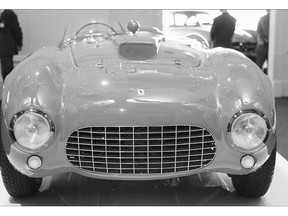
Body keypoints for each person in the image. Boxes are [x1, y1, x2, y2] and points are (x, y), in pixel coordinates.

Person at [0, 10, 23, 81]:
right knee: (7, 70)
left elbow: (16, 30)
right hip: (5, 47)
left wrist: (19, 43)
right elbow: (16, 30)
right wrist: (19, 43)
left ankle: (8, 88)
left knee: (6, 70)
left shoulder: (7, 15)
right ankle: (8, 88)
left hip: (5, 47)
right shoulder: (6, 15)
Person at [256, 10, 270, 74]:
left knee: (258, 67)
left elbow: (259, 32)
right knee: (271, 68)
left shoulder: (262, 19)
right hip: (272, 47)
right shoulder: (276, 19)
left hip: (263, 46)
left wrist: (264, 39)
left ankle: (257, 81)